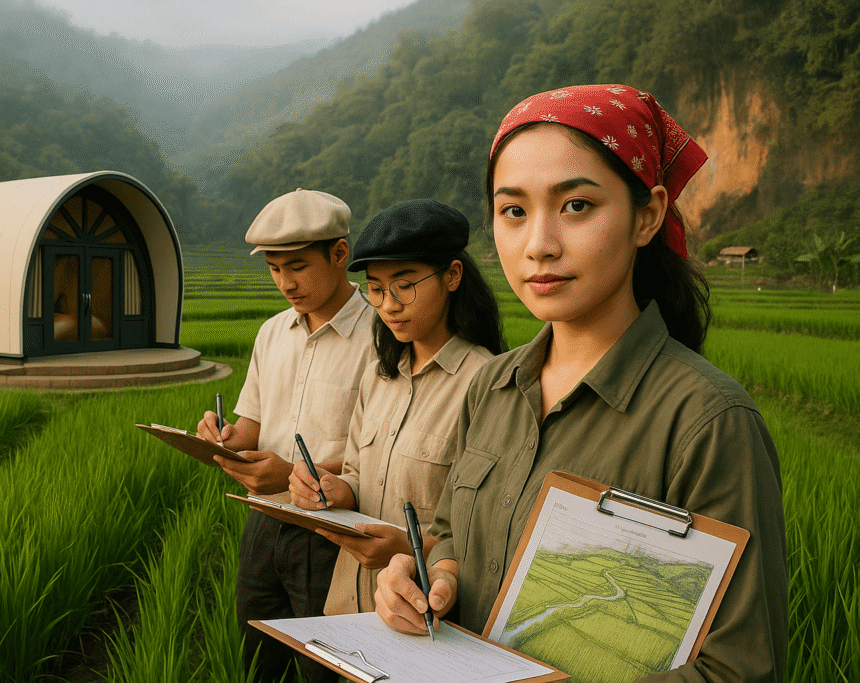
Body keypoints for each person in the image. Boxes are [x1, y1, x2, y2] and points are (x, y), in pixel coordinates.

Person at [373, 84, 788, 682]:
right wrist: (425, 577)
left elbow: (740, 668)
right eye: (513, 211)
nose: (538, 245)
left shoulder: (708, 421)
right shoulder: (491, 385)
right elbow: (446, 535)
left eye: (576, 206)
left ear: (647, 216)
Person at [286, 199, 505, 615]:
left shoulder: (487, 385)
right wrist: (335, 489)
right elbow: (355, 474)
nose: (389, 304)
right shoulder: (379, 375)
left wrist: (408, 545)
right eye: (376, 288)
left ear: (452, 276)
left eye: (405, 285)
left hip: (426, 607)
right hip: (350, 602)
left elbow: (489, 528)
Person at [196, 188, 375, 683]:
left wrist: (294, 474)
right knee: (257, 658)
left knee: (325, 668)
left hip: (332, 530)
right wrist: (224, 438)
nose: (285, 283)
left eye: (297, 266)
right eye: (275, 269)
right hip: (264, 523)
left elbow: (382, 454)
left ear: (339, 254)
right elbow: (251, 426)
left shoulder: (382, 336)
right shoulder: (272, 332)